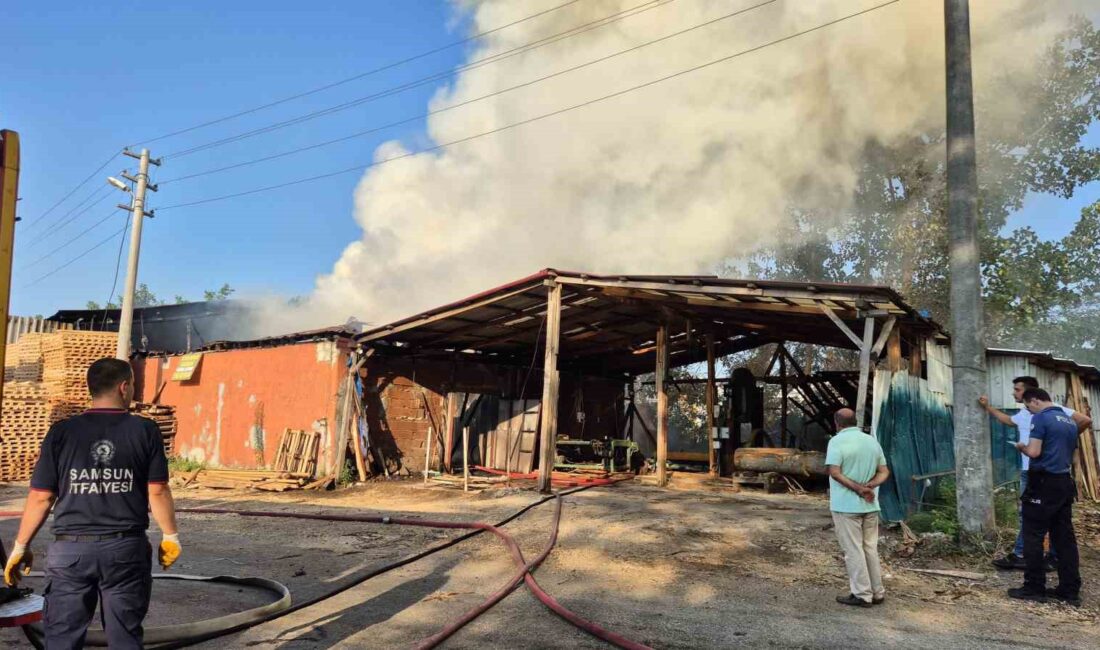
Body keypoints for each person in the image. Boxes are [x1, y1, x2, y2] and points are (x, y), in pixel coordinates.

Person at [3, 358, 181, 649]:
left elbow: (41, 497)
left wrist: (21, 546)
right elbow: (158, 491)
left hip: (71, 552)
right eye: (132, 385)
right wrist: (170, 535)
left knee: (61, 639)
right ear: (124, 387)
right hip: (125, 551)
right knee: (125, 637)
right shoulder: (144, 430)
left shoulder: (62, 433)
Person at [979, 376, 1090, 570]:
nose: (1014, 393)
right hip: (1029, 471)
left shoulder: (1052, 411)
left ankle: (1034, 558)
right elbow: (1007, 420)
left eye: (1017, 389)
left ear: (1031, 394)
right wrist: (988, 407)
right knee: (1035, 515)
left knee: (1042, 516)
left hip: (1045, 472)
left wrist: (1058, 442)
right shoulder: (1025, 412)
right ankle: (1033, 555)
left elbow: (1084, 420)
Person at [1007, 388, 1083, 605]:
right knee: (1064, 538)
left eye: (1028, 406)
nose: (1029, 411)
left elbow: (1034, 452)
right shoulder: (1069, 422)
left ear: (1035, 401)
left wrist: (1021, 447)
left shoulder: (1041, 418)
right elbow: (1073, 456)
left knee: (1033, 534)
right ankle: (1069, 590)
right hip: (1063, 482)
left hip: (1042, 483)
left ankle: (1034, 587)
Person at [825, 408, 891, 608]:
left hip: (846, 506)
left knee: (853, 550)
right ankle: (877, 592)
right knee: (870, 548)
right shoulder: (872, 441)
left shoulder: (836, 441)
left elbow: (834, 472)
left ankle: (862, 594)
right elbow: (884, 471)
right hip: (870, 506)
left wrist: (860, 489)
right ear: (855, 422)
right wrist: (871, 486)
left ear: (837, 423)